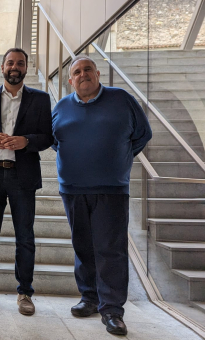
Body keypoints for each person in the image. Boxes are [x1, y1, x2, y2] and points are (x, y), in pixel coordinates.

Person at [52, 55, 152, 336]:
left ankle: (112, 311)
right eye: (76, 72)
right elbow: (56, 142)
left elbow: (143, 135)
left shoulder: (122, 99)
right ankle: (90, 298)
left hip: (111, 189)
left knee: (110, 249)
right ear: (70, 80)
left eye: (87, 70)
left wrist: (118, 158)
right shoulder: (61, 106)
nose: (82, 74)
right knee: (83, 246)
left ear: (97, 74)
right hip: (72, 188)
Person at [0, 47, 53, 315]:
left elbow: (48, 137)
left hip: (22, 175)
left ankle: (25, 292)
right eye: (10, 63)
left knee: (25, 237)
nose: (14, 67)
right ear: (2, 67)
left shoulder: (40, 99)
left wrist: (26, 141)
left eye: (19, 63)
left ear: (26, 68)